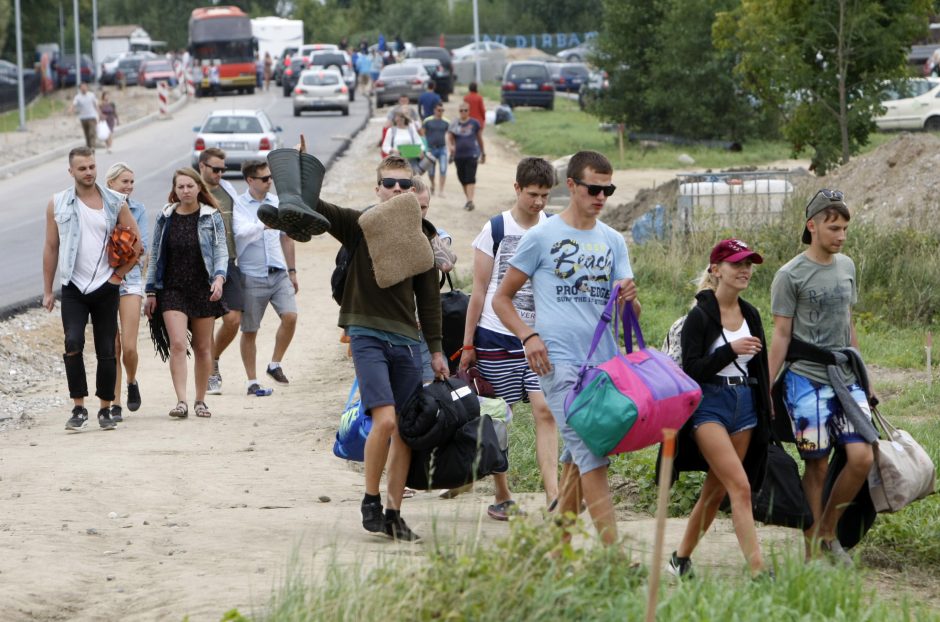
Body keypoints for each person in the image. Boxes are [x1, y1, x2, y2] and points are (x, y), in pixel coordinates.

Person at [492, 150, 636, 546]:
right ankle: (614, 560)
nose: (601, 196)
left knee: (576, 459)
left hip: (603, 365)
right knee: (592, 458)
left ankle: (556, 553)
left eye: (608, 189)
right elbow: (501, 299)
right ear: (571, 185)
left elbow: (629, 311)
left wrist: (629, 298)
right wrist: (528, 335)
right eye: (594, 187)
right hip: (557, 362)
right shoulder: (541, 236)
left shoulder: (613, 241)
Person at [306, 144, 448, 541]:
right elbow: (317, 207)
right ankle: (370, 500)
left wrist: (436, 349)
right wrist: (303, 167)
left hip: (406, 340)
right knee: (384, 420)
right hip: (366, 333)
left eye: (405, 184)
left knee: (404, 429)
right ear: (378, 188)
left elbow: (429, 298)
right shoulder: (360, 225)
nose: (397, 189)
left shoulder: (422, 235)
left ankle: (394, 512)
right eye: (390, 183)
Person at [768, 189, 876, 565]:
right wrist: (765, 388)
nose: (841, 236)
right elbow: (781, 335)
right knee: (816, 462)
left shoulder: (847, 266)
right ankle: (811, 550)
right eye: (833, 228)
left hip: (845, 377)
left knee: (862, 456)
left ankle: (829, 532)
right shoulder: (789, 275)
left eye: (845, 228)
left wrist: (865, 377)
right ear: (812, 226)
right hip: (805, 378)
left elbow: (849, 325)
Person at [458, 157, 560, 519]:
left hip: (536, 337)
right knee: (499, 419)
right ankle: (502, 496)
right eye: (533, 194)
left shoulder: (553, 227)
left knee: (545, 410)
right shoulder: (496, 228)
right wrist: (468, 344)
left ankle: (554, 497)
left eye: (545, 195)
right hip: (494, 338)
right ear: (517, 189)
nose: (539, 202)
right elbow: (480, 289)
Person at [669, 238, 770, 579]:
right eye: (736, 264)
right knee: (739, 487)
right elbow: (692, 370)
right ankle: (758, 572)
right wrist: (731, 350)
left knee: (714, 491)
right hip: (709, 405)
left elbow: (762, 367)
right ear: (716, 271)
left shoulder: (751, 314)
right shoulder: (699, 316)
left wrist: (766, 410)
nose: (744, 270)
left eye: (748, 264)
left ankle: (680, 558)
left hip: (745, 406)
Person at [42, 146, 143, 432]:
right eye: (82, 168)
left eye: (92, 167)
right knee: (72, 343)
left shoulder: (115, 201)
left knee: (106, 348)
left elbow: (137, 245)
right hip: (73, 286)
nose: (88, 172)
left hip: (105, 285)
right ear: (71, 171)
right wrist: (48, 290)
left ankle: (105, 408)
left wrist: (118, 277)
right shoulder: (57, 203)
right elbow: (51, 247)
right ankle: (78, 406)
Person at [144, 168, 228, 419]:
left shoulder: (211, 217)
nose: (185, 191)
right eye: (180, 187)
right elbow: (155, 252)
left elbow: (221, 249)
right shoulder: (165, 216)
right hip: (172, 288)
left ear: (199, 188)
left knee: (203, 348)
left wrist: (220, 278)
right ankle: (181, 401)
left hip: (203, 287)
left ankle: (200, 401)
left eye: (190, 186)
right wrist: (150, 291)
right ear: (175, 190)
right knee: (178, 344)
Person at [233, 160, 299, 394]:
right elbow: (241, 232)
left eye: (270, 177)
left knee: (290, 316)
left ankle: (275, 363)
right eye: (264, 178)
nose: (269, 181)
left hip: (278, 271)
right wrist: (264, 224)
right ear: (250, 180)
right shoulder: (239, 205)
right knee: (250, 330)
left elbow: (286, 237)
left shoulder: (276, 202)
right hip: (251, 275)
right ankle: (252, 381)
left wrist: (292, 270)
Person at [198, 148, 245, 395]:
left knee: (233, 319)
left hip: (228, 263)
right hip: (200, 267)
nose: (219, 174)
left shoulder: (228, 191)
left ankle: (212, 359)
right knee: (204, 324)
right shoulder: (190, 190)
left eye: (222, 170)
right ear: (202, 166)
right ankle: (208, 372)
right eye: (215, 169)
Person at [106, 163, 149, 422]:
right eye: (124, 182)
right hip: (102, 282)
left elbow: (139, 246)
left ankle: (132, 380)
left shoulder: (138, 209)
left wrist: (121, 264)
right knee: (113, 346)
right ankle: (115, 402)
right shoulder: (98, 208)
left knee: (129, 347)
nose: (129, 187)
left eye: (132, 182)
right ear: (110, 183)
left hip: (129, 278)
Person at [447, 103, 485, 211]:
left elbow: (479, 138)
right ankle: (468, 200)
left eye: (465, 110)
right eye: (461, 110)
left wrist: (483, 153)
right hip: (458, 156)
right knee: (462, 178)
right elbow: (449, 137)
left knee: (470, 178)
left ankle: (469, 201)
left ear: (469, 111)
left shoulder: (474, 123)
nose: (463, 112)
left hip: (472, 154)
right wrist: (451, 147)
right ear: (459, 111)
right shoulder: (454, 123)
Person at [422, 104, 450, 197]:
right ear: (434, 110)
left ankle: (441, 190)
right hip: (431, 149)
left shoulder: (446, 122)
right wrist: (424, 148)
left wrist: (451, 147)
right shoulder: (427, 121)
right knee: (431, 172)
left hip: (442, 148)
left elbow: (450, 136)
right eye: (439, 110)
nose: (440, 112)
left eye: (442, 110)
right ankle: (433, 184)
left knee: (443, 169)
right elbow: (422, 135)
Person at [69, 82, 98, 149]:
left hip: (92, 116)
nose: (84, 88)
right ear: (80, 88)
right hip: (83, 118)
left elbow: (95, 104)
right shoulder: (78, 97)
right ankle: (88, 147)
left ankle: (93, 146)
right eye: (82, 87)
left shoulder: (91, 95)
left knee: (92, 132)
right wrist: (71, 109)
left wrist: (99, 113)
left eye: (85, 87)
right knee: (87, 133)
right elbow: (74, 104)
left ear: (87, 87)